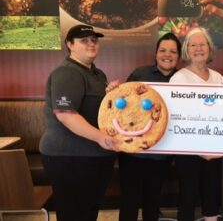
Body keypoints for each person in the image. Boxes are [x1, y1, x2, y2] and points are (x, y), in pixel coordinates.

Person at [39, 24, 120, 221]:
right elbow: (66, 114)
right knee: (73, 213)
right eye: (84, 41)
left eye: (94, 40)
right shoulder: (67, 72)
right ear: (70, 44)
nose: (91, 44)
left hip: (94, 156)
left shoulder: (98, 74)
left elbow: (100, 111)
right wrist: (101, 137)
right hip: (69, 157)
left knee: (89, 211)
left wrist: (114, 95)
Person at [119, 32, 181, 221]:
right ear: (156, 54)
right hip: (133, 151)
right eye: (162, 50)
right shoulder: (140, 74)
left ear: (179, 56)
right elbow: (122, 105)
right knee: (129, 201)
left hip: (162, 153)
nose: (167, 54)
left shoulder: (182, 80)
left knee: (153, 202)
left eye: (172, 51)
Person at [170, 27, 223, 221]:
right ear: (187, 50)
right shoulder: (178, 79)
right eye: (193, 45)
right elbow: (177, 118)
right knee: (188, 197)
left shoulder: (218, 78)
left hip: (214, 149)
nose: (198, 48)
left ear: (209, 48)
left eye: (203, 44)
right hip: (188, 150)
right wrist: (199, 150)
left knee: (212, 196)